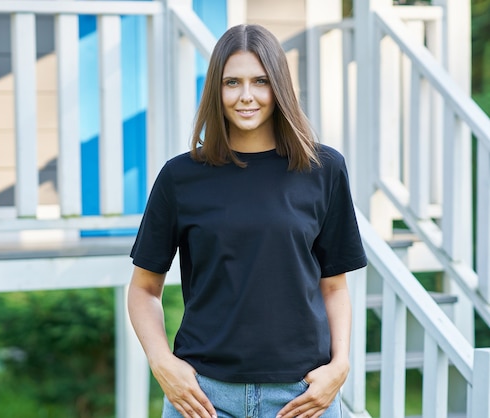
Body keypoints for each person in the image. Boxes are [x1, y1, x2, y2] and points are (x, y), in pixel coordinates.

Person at [127, 23, 367, 418]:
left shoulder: (324, 169)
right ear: (216, 91)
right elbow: (143, 289)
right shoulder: (180, 177)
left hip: (302, 397)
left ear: (279, 87)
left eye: (260, 81)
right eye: (232, 82)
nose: (246, 96)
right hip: (203, 399)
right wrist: (162, 362)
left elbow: (334, 287)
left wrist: (338, 366)